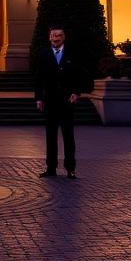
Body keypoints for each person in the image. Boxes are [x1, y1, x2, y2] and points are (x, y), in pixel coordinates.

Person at [34, 25, 85, 178]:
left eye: (59, 36)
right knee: (50, 136)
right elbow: (39, 78)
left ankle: (70, 168)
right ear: (49, 37)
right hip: (49, 101)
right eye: (53, 36)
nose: (56, 38)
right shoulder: (43, 54)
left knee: (68, 136)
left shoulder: (72, 53)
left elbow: (78, 74)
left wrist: (76, 92)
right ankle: (51, 168)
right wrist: (38, 98)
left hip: (67, 101)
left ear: (64, 37)